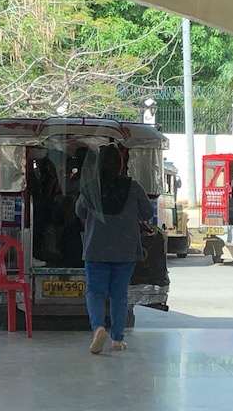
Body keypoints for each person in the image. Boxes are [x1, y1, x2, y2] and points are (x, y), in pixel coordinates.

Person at [75, 144, 154, 354]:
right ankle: (117, 339)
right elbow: (148, 212)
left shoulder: (91, 186)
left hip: (96, 248)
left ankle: (98, 328)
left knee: (95, 291)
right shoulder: (133, 186)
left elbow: (80, 211)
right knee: (119, 294)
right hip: (125, 249)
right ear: (120, 164)